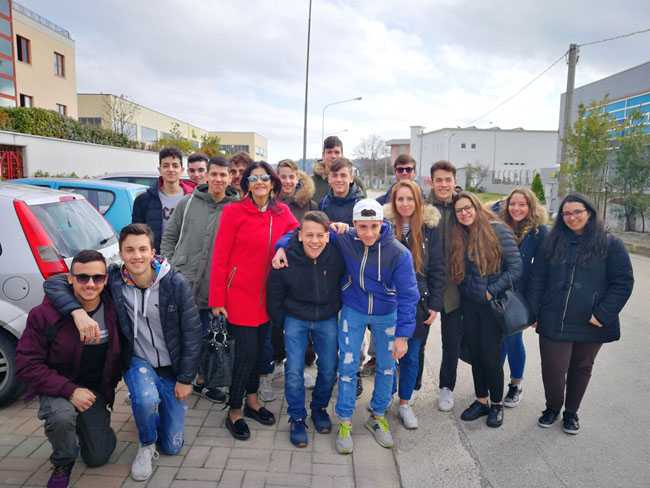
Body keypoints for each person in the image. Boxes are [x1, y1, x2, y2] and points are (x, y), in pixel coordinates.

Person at [43, 224, 202, 482]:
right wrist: (77, 312)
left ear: (153, 252)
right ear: (120, 253)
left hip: (172, 364)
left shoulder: (175, 283)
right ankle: (146, 444)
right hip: (138, 360)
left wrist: (186, 378)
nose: (136, 256)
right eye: (129, 250)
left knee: (173, 445)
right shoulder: (114, 281)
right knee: (145, 400)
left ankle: (155, 404)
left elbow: (193, 334)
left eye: (142, 249)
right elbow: (54, 283)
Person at [273, 198, 419, 454]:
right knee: (348, 366)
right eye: (363, 227)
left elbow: (409, 295)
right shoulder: (345, 238)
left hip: (386, 313)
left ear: (382, 223)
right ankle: (344, 419)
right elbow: (304, 233)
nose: (369, 233)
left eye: (374, 226)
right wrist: (281, 247)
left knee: (386, 367)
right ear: (354, 225)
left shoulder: (398, 252)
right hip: (353, 309)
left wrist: (403, 335)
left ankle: (377, 416)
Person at [527, 193, 633, 434]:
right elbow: (537, 279)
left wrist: (603, 314)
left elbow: (623, 282)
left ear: (589, 213)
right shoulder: (551, 243)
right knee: (553, 368)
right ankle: (552, 407)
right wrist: (534, 312)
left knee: (582, 367)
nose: (572, 217)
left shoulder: (609, 243)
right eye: (566, 213)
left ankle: (571, 413)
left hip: (592, 321)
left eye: (577, 212)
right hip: (554, 317)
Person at [209, 161, 299, 441]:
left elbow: (296, 235)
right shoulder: (233, 211)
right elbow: (220, 256)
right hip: (239, 296)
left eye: (264, 177)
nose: (259, 182)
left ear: (273, 183)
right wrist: (216, 298)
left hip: (270, 296)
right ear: (246, 183)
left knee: (261, 354)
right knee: (245, 355)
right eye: (253, 178)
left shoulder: (281, 211)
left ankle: (252, 401)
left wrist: (284, 245)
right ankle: (234, 410)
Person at [16, 250, 121, 488]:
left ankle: (94, 429)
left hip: (95, 391)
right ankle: (63, 461)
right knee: (62, 417)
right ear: (70, 279)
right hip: (58, 386)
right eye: (82, 277)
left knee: (97, 457)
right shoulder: (43, 315)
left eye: (98, 278)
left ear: (106, 279)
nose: (91, 284)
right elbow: (26, 364)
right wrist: (69, 390)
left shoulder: (115, 308)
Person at [160, 156, 237, 403]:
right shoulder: (188, 202)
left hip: (214, 284)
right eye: (213, 174)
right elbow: (169, 236)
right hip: (184, 278)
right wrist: (171, 267)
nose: (217, 179)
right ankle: (177, 376)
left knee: (208, 333)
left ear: (230, 178)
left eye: (223, 175)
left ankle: (204, 380)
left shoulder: (236, 208)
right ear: (207, 176)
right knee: (178, 330)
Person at [267, 211, 345, 447]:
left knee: (330, 367)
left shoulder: (337, 254)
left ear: (328, 236)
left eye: (320, 235)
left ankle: (319, 408)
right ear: (299, 236)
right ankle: (297, 417)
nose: (314, 240)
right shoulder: (287, 255)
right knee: (294, 370)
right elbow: (274, 291)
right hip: (296, 318)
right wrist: (282, 320)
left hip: (327, 316)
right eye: (309, 235)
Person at [449, 191, 522, 428]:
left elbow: (515, 268)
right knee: (475, 354)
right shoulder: (459, 235)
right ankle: (481, 400)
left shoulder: (497, 230)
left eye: (468, 207)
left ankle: (497, 404)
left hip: (492, 306)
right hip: (469, 305)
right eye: (459, 210)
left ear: (476, 207)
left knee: (491, 357)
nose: (464, 213)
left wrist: (492, 291)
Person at [383, 181, 444, 429]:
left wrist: (435, 304)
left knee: (411, 356)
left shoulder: (430, 229)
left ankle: (405, 403)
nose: (405, 204)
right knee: (387, 354)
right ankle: (385, 395)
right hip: (388, 302)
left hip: (419, 302)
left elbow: (439, 268)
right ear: (394, 202)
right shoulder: (385, 227)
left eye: (410, 199)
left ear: (418, 201)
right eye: (400, 199)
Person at [497, 187, 548, 407]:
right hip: (497, 292)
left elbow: (543, 272)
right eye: (513, 204)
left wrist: (536, 307)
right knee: (495, 341)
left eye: (522, 204)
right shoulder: (499, 226)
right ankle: (494, 381)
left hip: (520, 297)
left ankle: (515, 384)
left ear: (531, 207)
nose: (516, 208)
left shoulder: (539, 232)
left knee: (513, 339)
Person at [427, 160, 463, 411]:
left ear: (454, 181)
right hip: (427, 283)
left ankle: (446, 387)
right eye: (438, 180)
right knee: (416, 339)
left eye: (447, 180)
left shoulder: (464, 206)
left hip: (455, 284)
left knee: (452, 341)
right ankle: (410, 388)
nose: (443, 184)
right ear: (432, 181)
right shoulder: (423, 207)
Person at [132, 147, 194, 252]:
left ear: (182, 170)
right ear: (159, 169)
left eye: (175, 166)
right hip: (155, 261)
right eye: (166, 166)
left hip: (185, 261)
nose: (170, 169)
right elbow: (136, 235)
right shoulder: (143, 200)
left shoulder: (193, 199)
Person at [312, 136, 365, 204]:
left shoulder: (356, 182)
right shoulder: (311, 183)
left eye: (337, 152)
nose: (333, 156)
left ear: (342, 155)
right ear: (323, 155)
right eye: (329, 152)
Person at [319, 158, 365, 225]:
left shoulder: (361, 205)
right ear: (329, 179)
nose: (339, 180)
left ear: (351, 178)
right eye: (335, 175)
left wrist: (347, 230)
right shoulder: (323, 204)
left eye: (343, 175)